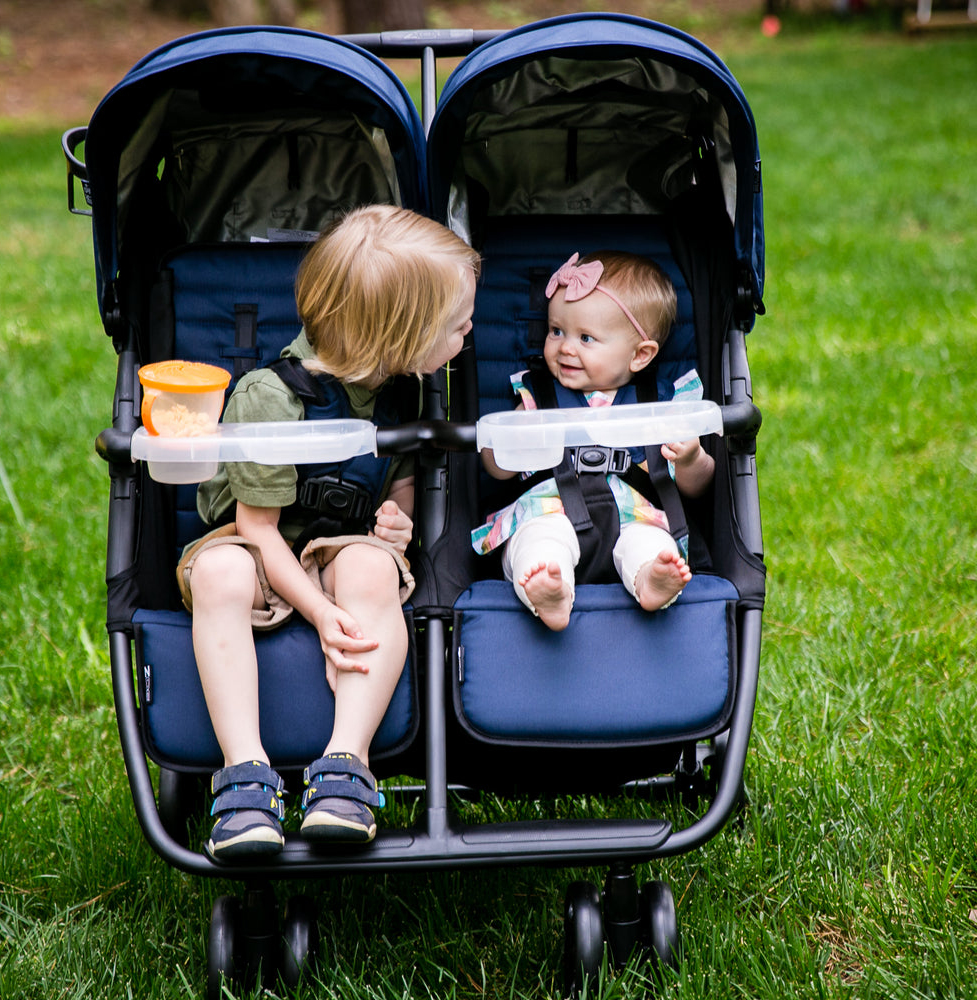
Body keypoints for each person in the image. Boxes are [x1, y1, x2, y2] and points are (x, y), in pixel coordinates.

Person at [176, 205, 480, 859]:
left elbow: (396, 478)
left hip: (341, 544)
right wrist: (316, 611)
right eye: (457, 327)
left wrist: (396, 516)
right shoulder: (268, 399)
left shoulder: (403, 392)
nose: (469, 334)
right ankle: (245, 775)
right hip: (261, 543)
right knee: (216, 572)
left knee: (371, 569)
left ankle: (347, 766)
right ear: (398, 339)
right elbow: (254, 528)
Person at [472, 250, 714, 631]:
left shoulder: (662, 405)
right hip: (550, 509)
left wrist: (689, 459)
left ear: (640, 355)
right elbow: (496, 469)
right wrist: (513, 437)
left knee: (651, 543)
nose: (565, 347)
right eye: (556, 331)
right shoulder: (536, 397)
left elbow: (696, 487)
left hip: (633, 514)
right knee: (537, 542)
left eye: (586, 338)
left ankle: (652, 579)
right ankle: (550, 590)